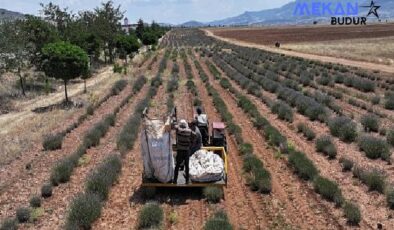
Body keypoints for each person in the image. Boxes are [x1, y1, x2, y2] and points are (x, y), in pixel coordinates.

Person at [173, 119, 195, 184]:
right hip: (186, 150)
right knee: (187, 165)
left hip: (180, 150)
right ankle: (187, 181)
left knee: (177, 165)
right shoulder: (189, 131)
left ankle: (175, 180)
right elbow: (195, 135)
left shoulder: (178, 130)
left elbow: (175, 126)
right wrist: (191, 142)